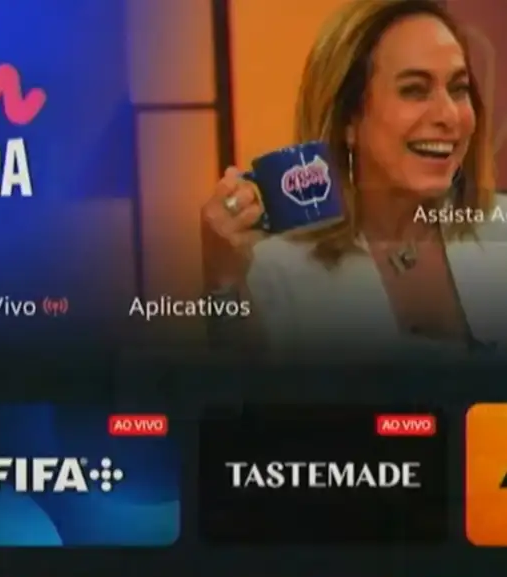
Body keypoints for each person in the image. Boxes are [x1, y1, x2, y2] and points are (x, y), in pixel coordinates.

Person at [202, 0, 506, 359]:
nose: (449, 115)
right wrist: (223, 280)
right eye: (414, 90)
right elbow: (247, 387)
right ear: (348, 119)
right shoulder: (275, 265)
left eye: (458, 89)